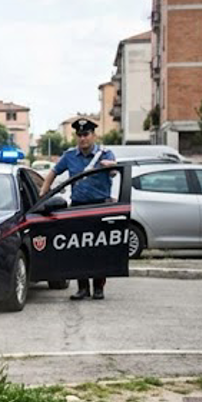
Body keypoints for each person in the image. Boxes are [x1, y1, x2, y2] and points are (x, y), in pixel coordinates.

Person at [45, 118, 118, 300]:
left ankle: (99, 288)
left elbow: (115, 172)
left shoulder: (105, 154)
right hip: (78, 206)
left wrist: (112, 166)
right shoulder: (69, 155)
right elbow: (53, 173)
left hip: (100, 206)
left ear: (93, 135)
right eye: (79, 135)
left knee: (99, 249)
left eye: (86, 134)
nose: (82, 138)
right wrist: (42, 193)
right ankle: (82, 288)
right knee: (79, 249)